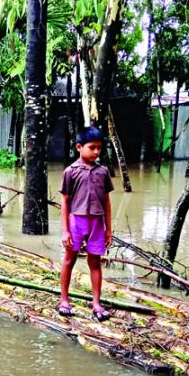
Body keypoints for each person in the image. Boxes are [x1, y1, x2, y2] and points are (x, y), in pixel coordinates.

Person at [58, 126, 114, 322]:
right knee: (69, 259)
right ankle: (64, 300)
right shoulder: (70, 172)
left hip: (97, 222)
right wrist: (65, 231)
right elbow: (65, 201)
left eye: (99, 148)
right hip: (77, 220)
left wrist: (109, 230)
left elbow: (107, 201)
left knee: (95, 262)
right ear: (79, 147)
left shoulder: (103, 172)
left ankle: (96, 303)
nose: (96, 152)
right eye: (92, 147)